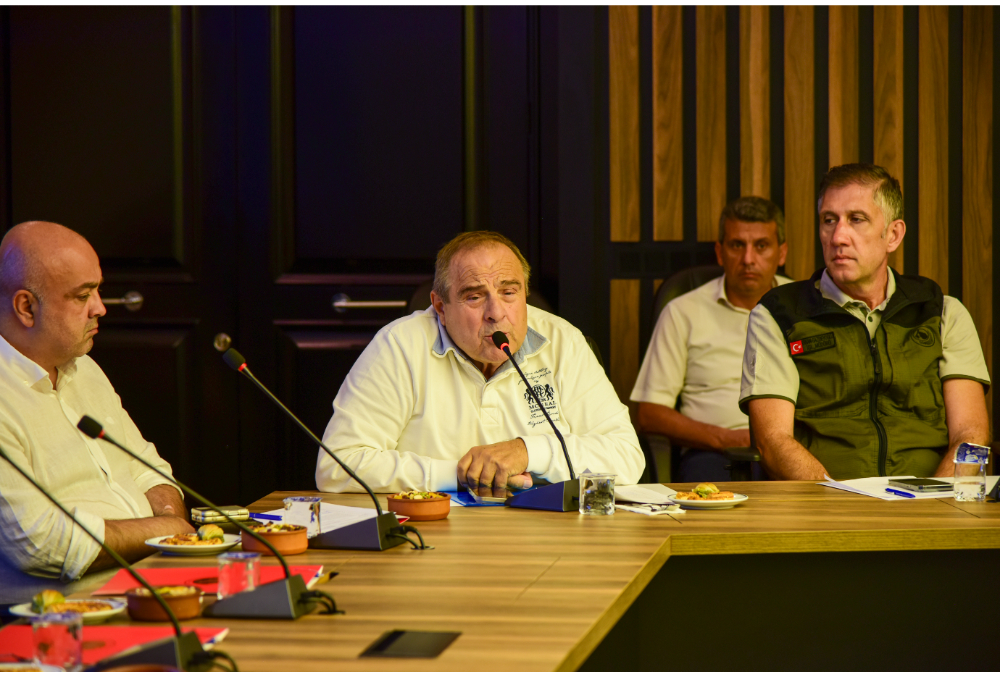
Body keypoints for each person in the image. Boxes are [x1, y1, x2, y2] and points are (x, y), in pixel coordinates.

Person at [316, 231, 644, 496]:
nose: (496, 313)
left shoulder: (563, 341)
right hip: (435, 539)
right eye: (474, 296)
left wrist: (528, 452)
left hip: (546, 537)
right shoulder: (399, 345)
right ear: (440, 307)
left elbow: (627, 456)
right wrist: (461, 474)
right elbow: (337, 465)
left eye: (509, 292)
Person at [740, 164, 991, 480]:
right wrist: (836, 501)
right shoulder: (779, 314)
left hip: (930, 497)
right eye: (829, 220)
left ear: (893, 235)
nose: (838, 237)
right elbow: (772, 442)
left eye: (856, 219)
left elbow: (972, 435)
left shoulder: (942, 312)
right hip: (824, 500)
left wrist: (936, 499)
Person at [0, 221, 192, 605]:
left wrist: (169, 522)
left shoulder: (84, 368)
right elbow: (41, 544)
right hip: (63, 614)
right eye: (82, 295)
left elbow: (147, 467)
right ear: (26, 307)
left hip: (154, 582)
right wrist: (168, 530)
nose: (100, 307)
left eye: (98, 290)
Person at [631, 196, 792, 481]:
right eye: (737, 245)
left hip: (792, 448)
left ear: (781, 253)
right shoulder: (683, 311)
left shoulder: (804, 306)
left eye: (761, 246)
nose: (748, 259)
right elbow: (649, 413)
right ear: (720, 253)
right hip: (713, 454)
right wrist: (725, 438)